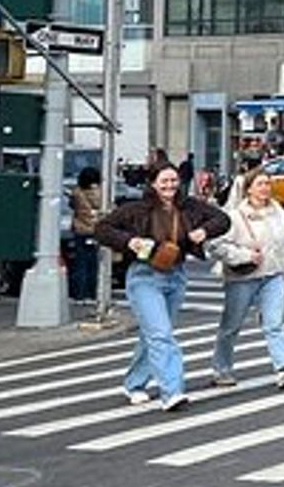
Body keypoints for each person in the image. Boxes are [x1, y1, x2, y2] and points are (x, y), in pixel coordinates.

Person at [94, 163, 230, 412]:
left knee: (154, 333)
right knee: (161, 335)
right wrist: (129, 241)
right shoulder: (136, 209)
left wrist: (203, 231)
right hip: (144, 276)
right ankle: (172, 391)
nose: (169, 186)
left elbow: (223, 219)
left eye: (173, 181)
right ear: (153, 183)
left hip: (175, 275)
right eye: (164, 181)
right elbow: (102, 229)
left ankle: (134, 383)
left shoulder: (188, 206)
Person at [208, 165, 284, 391]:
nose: (265, 188)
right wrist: (245, 255)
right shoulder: (235, 217)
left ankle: (282, 369)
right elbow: (215, 246)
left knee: (274, 324)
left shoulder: (277, 212)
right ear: (248, 189)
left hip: (273, 275)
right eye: (260, 184)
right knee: (231, 326)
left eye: (268, 184)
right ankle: (221, 369)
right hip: (242, 278)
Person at [68, 166, 103, 303]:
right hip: (96, 230)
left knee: (80, 263)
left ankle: (79, 294)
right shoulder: (100, 193)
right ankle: (92, 293)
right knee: (94, 263)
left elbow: (72, 205)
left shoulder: (76, 193)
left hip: (80, 230)